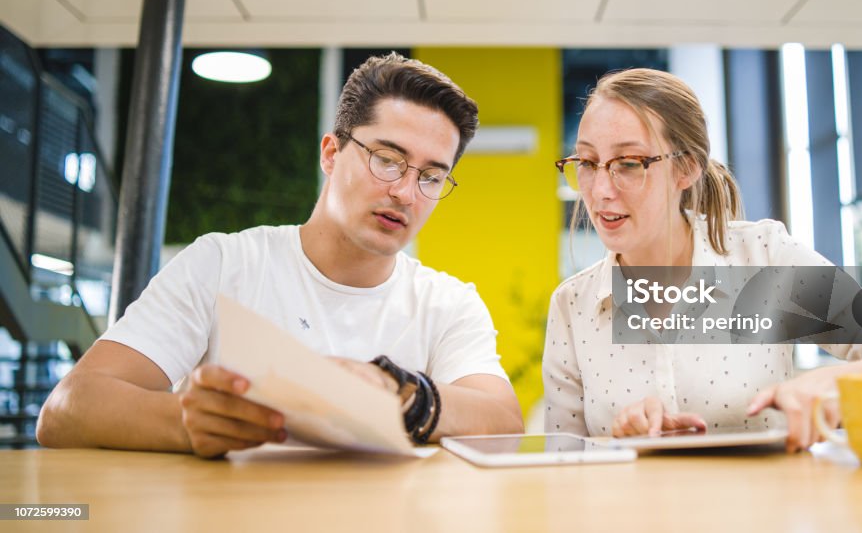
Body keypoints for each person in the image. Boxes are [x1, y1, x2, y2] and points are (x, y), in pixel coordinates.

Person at [38, 53, 523, 457]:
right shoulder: (224, 264)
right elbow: (66, 410)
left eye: (431, 176)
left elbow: (503, 419)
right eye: (387, 159)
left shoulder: (447, 302)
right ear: (331, 153)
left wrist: (405, 396)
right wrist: (185, 420)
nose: (404, 192)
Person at [543, 68, 862, 452]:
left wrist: (834, 382)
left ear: (685, 168)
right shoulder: (572, 306)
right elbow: (561, 467)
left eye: (628, 164)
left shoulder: (764, 258)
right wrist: (620, 440)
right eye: (588, 163)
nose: (599, 190)